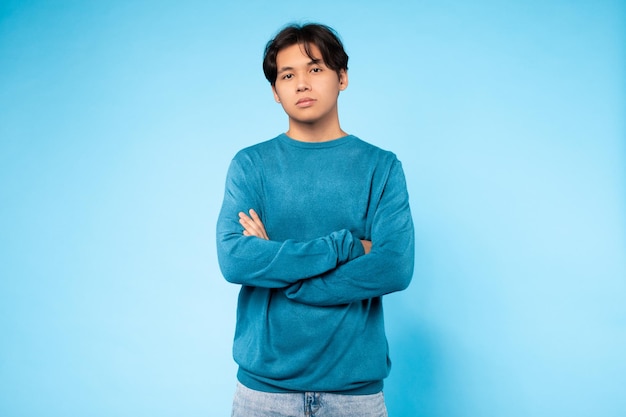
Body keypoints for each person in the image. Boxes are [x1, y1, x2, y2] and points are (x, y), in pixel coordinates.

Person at [216, 23, 415, 417]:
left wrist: (285, 275)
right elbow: (235, 259)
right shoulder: (250, 165)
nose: (301, 83)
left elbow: (394, 266)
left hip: (354, 395)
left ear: (342, 78)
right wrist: (346, 246)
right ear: (275, 91)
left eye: (316, 69)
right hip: (264, 393)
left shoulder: (381, 167)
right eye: (287, 75)